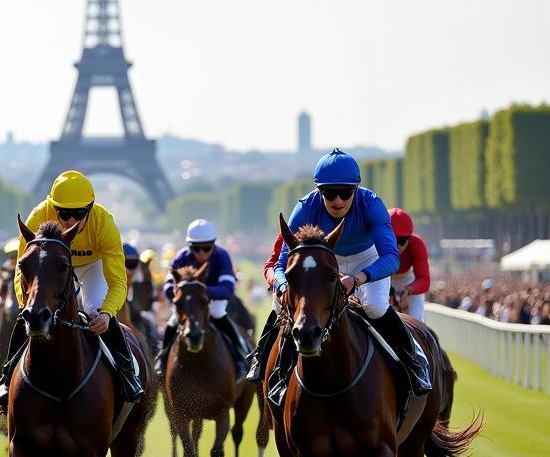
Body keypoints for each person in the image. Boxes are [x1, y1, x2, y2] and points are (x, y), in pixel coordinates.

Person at [271, 148, 431, 400]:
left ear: (356, 189)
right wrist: (281, 286)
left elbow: (391, 257)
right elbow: (281, 263)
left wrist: (359, 278)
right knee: (281, 307)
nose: (337, 200)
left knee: (375, 305)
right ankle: (273, 370)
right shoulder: (304, 208)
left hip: (367, 258)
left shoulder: (372, 204)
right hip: (326, 260)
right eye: (329, 192)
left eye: (345, 192)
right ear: (318, 191)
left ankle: (414, 364)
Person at [0, 169, 144, 408]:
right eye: (63, 213)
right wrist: (25, 303)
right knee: (30, 314)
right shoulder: (37, 217)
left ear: (90, 209)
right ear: (53, 207)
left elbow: (117, 281)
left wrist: (107, 313)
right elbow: (22, 270)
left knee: (94, 311)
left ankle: (127, 373)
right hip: (52, 267)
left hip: (91, 267)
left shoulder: (104, 224)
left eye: (78, 214)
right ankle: (6, 376)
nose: (70, 221)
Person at [157, 219, 250, 377]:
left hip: (214, 299)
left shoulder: (222, 256)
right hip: (189, 301)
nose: (201, 253)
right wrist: (181, 295)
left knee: (218, 313)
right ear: (189, 246)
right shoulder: (181, 257)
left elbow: (227, 289)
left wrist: (202, 292)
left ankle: (241, 355)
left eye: (206, 248)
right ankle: (162, 358)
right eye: (196, 248)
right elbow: (167, 285)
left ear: (213, 244)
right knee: (173, 321)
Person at [246, 232, 286, 383]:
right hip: (289, 289)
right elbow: (270, 266)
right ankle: (260, 358)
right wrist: (278, 283)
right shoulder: (290, 229)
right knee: (278, 310)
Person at [388, 208, 430, 322]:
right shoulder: (374, 242)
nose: (397, 247)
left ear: (410, 237)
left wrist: (408, 289)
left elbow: (424, 280)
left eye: (402, 241)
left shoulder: (417, 244)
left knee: (417, 321)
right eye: (393, 240)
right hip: (383, 278)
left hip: (408, 281)